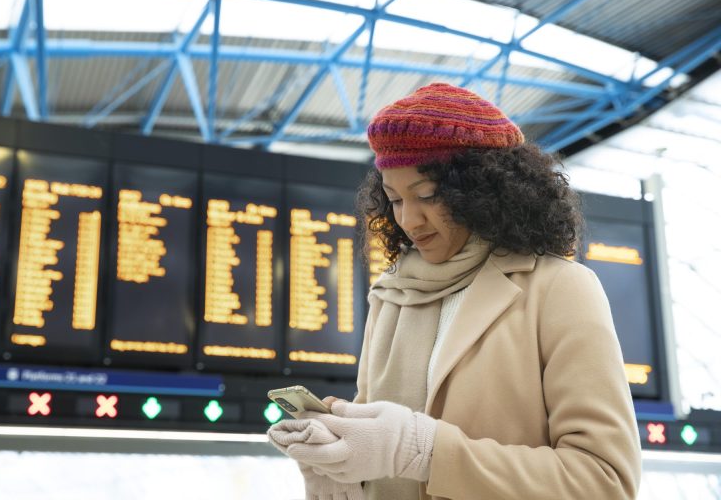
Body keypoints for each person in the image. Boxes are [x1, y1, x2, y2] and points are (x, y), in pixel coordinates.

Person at [269, 82, 641, 500]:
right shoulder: (392, 295)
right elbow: (384, 462)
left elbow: (604, 481)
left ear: (483, 191)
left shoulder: (560, 289)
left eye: (426, 196)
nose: (409, 220)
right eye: (393, 200)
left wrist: (426, 452)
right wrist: (337, 467)